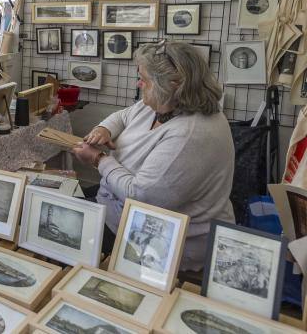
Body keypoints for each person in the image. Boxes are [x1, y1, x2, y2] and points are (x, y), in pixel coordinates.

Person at [72, 41, 234, 271]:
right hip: (121, 216)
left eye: (144, 79)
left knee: (62, 237)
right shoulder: (161, 104)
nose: (139, 84)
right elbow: (124, 116)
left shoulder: (191, 133)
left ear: (173, 85)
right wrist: (104, 129)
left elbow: (141, 196)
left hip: (163, 246)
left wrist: (99, 160)